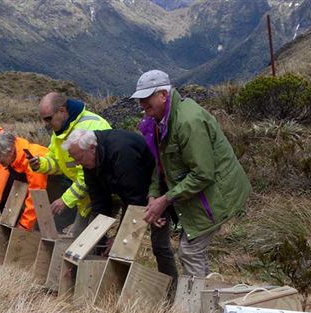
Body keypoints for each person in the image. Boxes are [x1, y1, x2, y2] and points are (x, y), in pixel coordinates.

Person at [133, 69, 250, 278]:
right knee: (193, 252)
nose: (142, 104)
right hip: (199, 195)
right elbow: (160, 164)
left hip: (217, 195)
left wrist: (165, 200)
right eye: (140, 99)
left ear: (163, 95)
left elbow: (203, 174)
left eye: (146, 98)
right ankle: (202, 300)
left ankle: (192, 308)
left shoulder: (187, 122)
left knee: (190, 251)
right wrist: (153, 196)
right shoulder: (160, 122)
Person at [62, 129, 177, 280]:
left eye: (79, 158)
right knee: (105, 242)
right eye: (75, 159)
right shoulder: (88, 160)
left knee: (159, 245)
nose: (78, 163)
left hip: (155, 192)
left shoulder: (122, 152)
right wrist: (97, 237)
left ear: (92, 148)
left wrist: (118, 237)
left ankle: (170, 288)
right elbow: (100, 203)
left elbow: (135, 200)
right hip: (130, 194)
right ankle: (96, 279)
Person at [28, 92, 111, 236]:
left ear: (62, 111)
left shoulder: (91, 126)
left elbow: (87, 174)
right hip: (86, 195)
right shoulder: (60, 129)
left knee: (86, 241)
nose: (46, 124)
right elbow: (57, 162)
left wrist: (65, 200)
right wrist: (40, 164)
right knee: (81, 239)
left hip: (103, 192)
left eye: (48, 119)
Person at [0, 132, 48, 230]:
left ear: (11, 151)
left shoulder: (32, 159)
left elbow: (36, 196)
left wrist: (24, 226)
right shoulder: (13, 159)